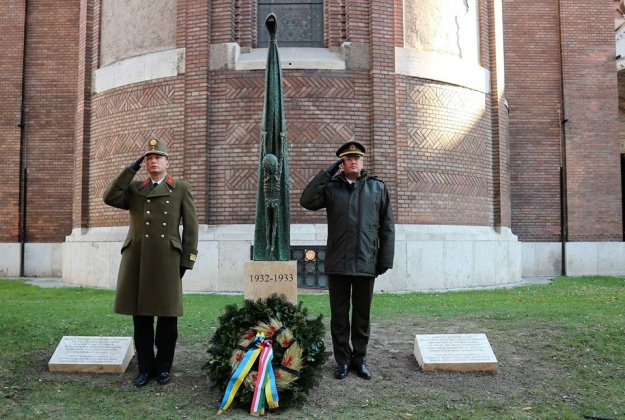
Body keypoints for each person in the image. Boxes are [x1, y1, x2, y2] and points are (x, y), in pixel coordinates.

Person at [103, 138, 199, 387]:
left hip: (168, 260)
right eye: (148, 158)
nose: (153, 161)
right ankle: (145, 368)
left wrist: (187, 260)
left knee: (168, 318)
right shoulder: (135, 188)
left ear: (167, 162)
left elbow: (191, 227)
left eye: (158, 157)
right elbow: (109, 196)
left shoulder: (180, 188)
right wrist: (129, 169)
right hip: (138, 260)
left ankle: (163, 368)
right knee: (141, 319)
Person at [300, 141, 394, 380]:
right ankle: (342, 361)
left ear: (362, 162)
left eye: (357, 158)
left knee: (362, 316)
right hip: (339, 261)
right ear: (342, 163)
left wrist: (384, 259)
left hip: (366, 261)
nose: (353, 161)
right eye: (348, 159)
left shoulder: (377, 187)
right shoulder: (332, 188)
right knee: (340, 316)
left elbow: (387, 226)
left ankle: (359, 360)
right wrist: (328, 172)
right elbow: (307, 200)